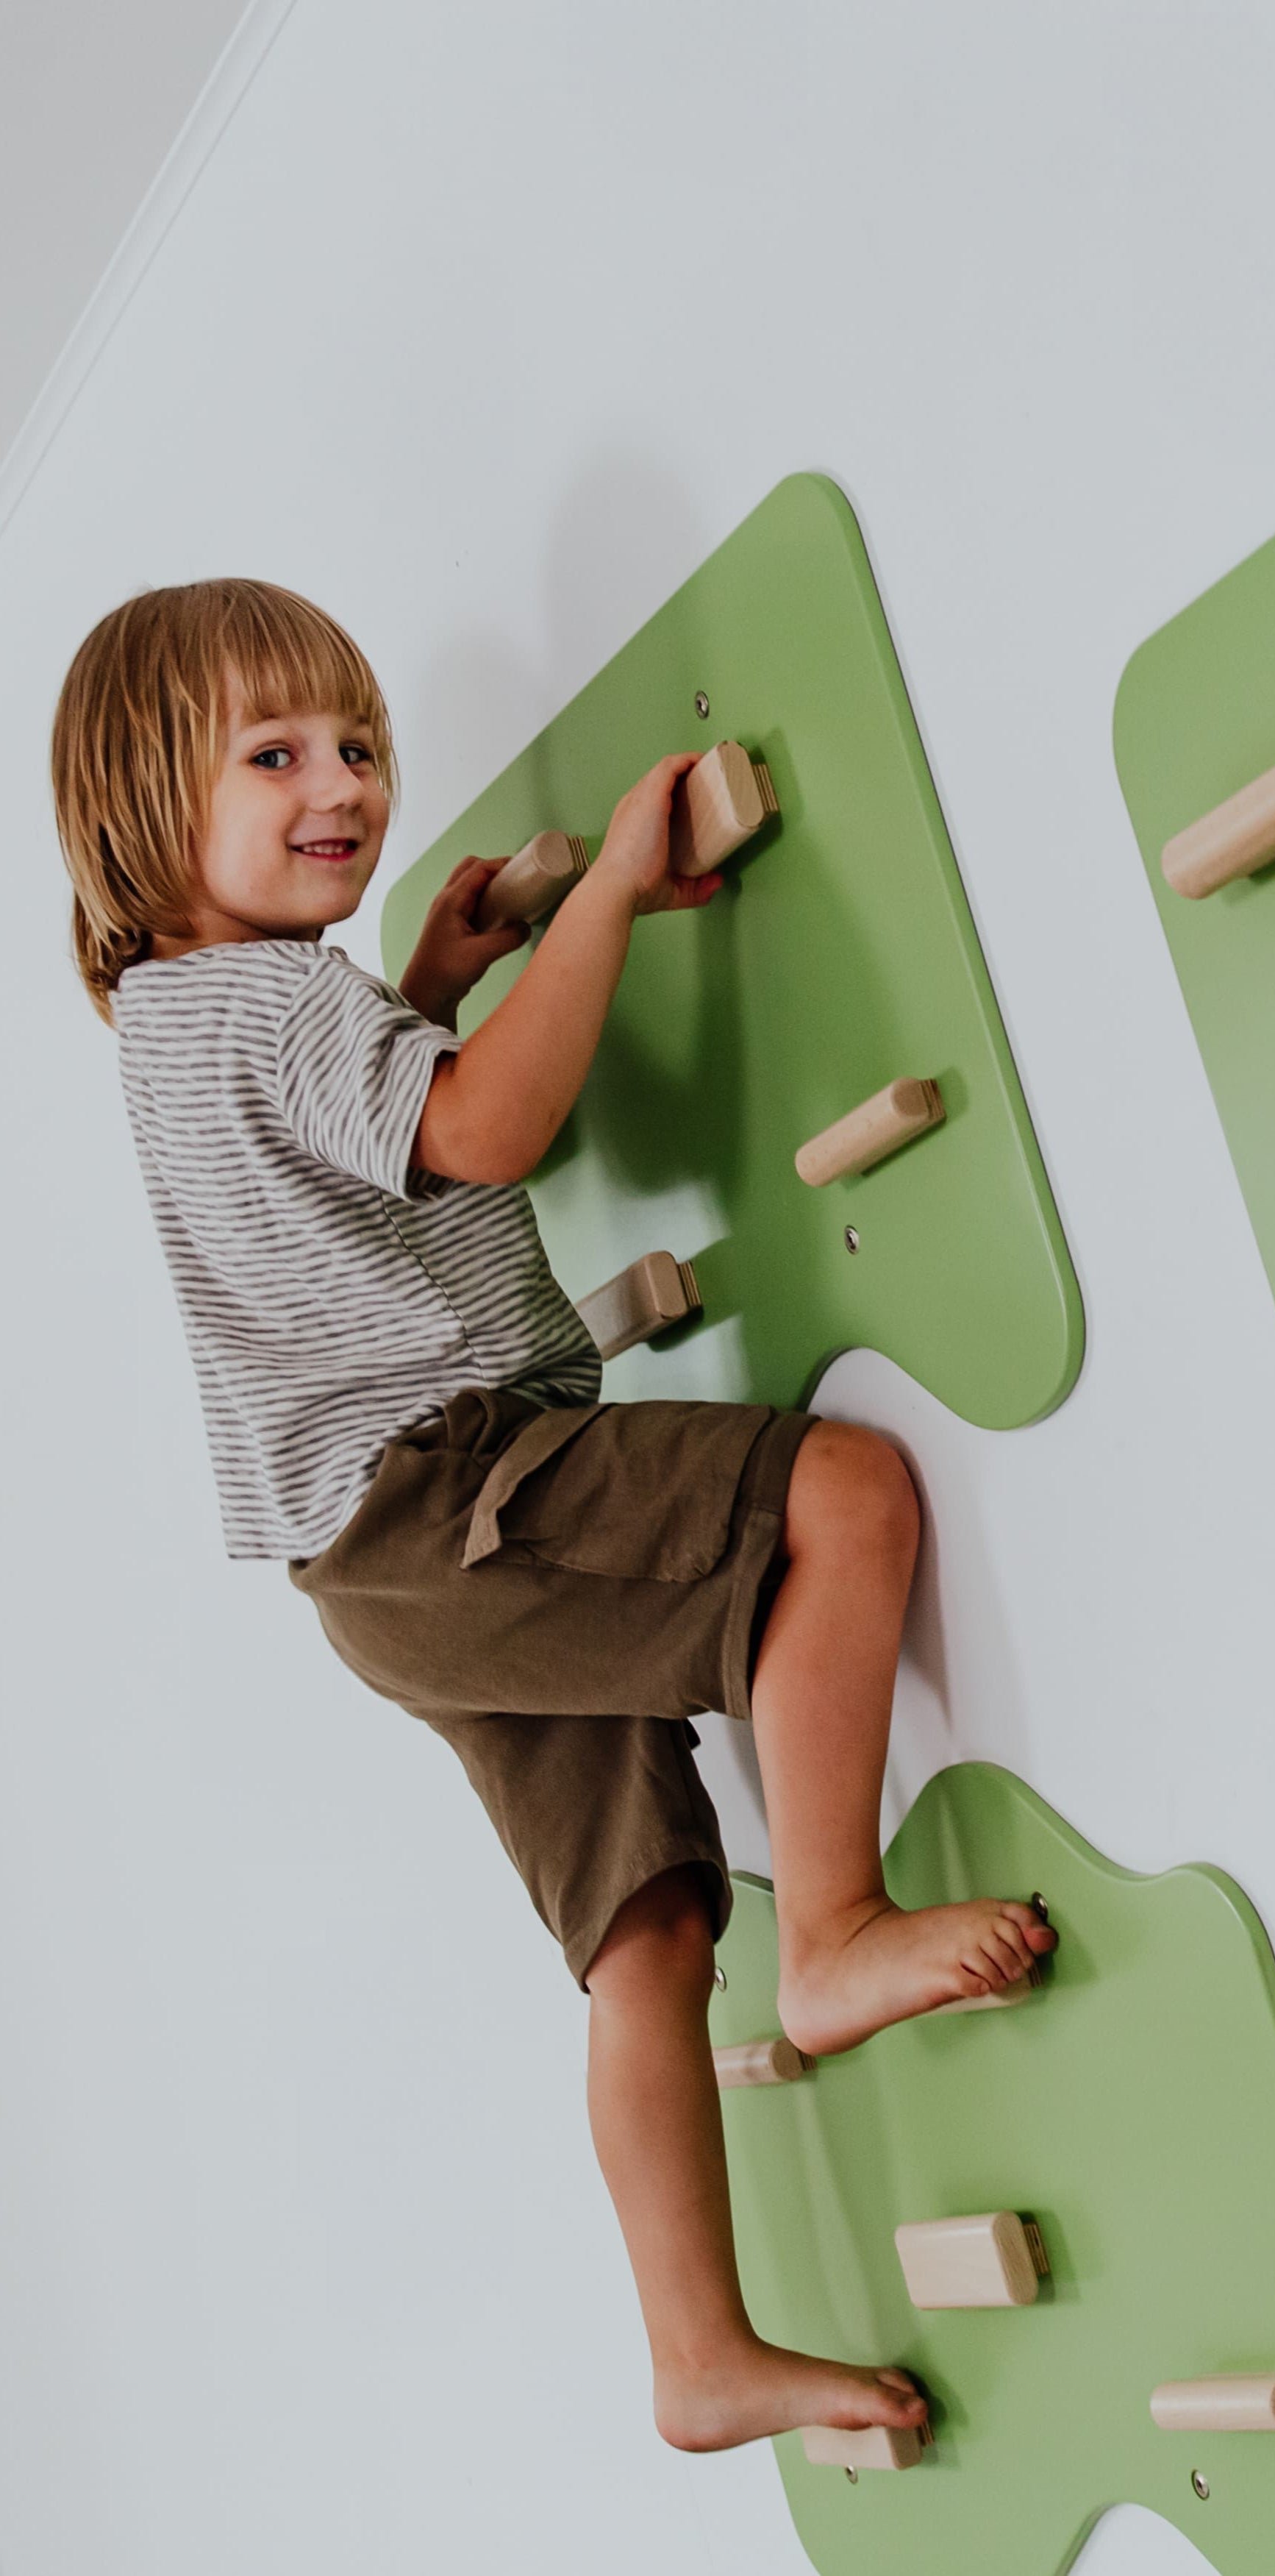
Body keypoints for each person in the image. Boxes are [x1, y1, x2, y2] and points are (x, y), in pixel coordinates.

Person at [53, 579, 1053, 2453]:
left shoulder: (188, 1025)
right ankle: (835, 1926)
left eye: (356, 743)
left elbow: (362, 1162)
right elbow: (484, 1131)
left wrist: (429, 988)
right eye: (273, 755)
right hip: (443, 1488)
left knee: (646, 1928)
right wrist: (598, 904)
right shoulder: (271, 997)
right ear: (140, 809)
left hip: (377, 1564)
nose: (341, 784)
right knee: (840, 1491)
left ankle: (696, 2348)